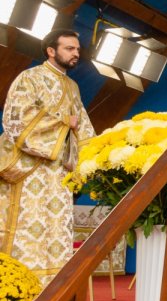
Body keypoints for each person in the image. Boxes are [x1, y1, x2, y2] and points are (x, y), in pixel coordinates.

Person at [0, 29, 96, 287]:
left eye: (77, 49)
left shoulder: (72, 86)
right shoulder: (29, 78)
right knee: (28, 225)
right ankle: (20, 286)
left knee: (56, 229)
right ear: (51, 51)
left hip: (59, 172)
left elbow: (83, 126)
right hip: (30, 170)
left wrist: (95, 156)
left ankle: (55, 286)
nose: (76, 53)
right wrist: (63, 123)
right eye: (69, 49)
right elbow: (16, 120)